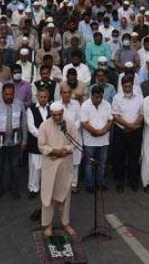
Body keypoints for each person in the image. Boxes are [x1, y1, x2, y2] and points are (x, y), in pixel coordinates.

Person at [38, 101, 77, 237]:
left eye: (59, 115)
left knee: (65, 194)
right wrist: (55, 151)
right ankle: (47, 224)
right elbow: (41, 146)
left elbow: (75, 143)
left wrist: (64, 151)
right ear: (51, 114)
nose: (57, 118)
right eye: (54, 115)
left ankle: (65, 223)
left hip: (65, 164)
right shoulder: (44, 126)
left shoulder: (69, 124)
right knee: (48, 195)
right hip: (50, 165)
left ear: (63, 113)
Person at [110, 74, 144, 193]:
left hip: (135, 131)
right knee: (120, 157)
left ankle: (133, 181)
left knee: (134, 158)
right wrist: (128, 126)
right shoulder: (117, 98)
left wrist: (133, 126)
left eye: (129, 86)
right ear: (122, 86)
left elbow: (142, 114)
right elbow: (115, 115)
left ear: (133, 85)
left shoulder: (139, 97)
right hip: (121, 131)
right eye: (125, 86)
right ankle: (120, 182)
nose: (128, 88)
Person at [0, 82, 24, 200]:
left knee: (15, 167)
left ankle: (14, 189)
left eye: (11, 94)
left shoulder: (20, 104)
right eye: (6, 94)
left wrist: (24, 140)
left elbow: (23, 124)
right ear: (2, 94)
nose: (9, 96)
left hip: (15, 142)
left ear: (14, 94)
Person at [80, 85, 113, 193]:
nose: (99, 99)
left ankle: (100, 183)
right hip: (90, 139)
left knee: (102, 163)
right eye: (96, 97)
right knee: (89, 163)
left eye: (100, 97)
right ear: (92, 95)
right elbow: (84, 123)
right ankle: (89, 185)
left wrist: (102, 131)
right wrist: (95, 132)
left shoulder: (107, 104)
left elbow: (110, 121)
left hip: (104, 140)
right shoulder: (85, 105)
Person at [26, 88, 51, 198]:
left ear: (48, 97)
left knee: (48, 167)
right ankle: (33, 188)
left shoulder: (51, 108)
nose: (43, 99)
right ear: (37, 97)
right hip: (35, 142)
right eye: (41, 97)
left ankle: (46, 189)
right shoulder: (31, 109)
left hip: (50, 143)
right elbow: (31, 127)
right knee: (35, 167)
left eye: (45, 97)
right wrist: (42, 136)